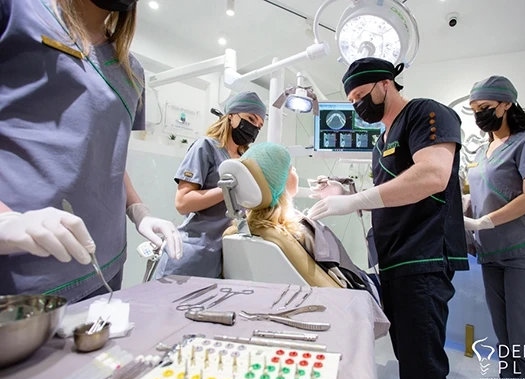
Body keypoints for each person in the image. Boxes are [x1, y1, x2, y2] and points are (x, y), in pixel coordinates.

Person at [0, 0, 181, 302]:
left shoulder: (131, 71)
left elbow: (108, 152)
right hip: (20, 270)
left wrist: (138, 211)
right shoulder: (20, 11)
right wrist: (5, 220)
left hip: (103, 264)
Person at [308, 57, 468, 379]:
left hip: (422, 257)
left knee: (422, 370)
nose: (357, 106)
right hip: (393, 260)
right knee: (408, 359)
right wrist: (340, 191)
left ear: (385, 83)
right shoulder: (382, 140)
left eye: (361, 95)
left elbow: (433, 175)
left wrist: (355, 201)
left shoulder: (426, 112)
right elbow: (390, 190)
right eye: (351, 102)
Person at [464, 76, 525, 379]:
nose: (479, 114)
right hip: (492, 257)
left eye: (486, 107)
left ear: (507, 104)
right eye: (475, 109)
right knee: (505, 341)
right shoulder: (484, 148)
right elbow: (479, 192)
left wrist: (483, 223)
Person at [224, 142, 379, 300]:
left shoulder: (239, 230)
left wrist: (347, 195)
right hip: (355, 297)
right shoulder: (299, 229)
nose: (295, 170)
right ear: (280, 179)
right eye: (291, 168)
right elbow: (347, 278)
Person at [154, 92, 266, 279]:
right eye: (250, 119)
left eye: (259, 125)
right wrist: (227, 189)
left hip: (222, 255)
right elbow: (183, 203)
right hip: (193, 253)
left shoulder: (244, 161)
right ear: (231, 116)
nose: (254, 127)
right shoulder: (206, 146)